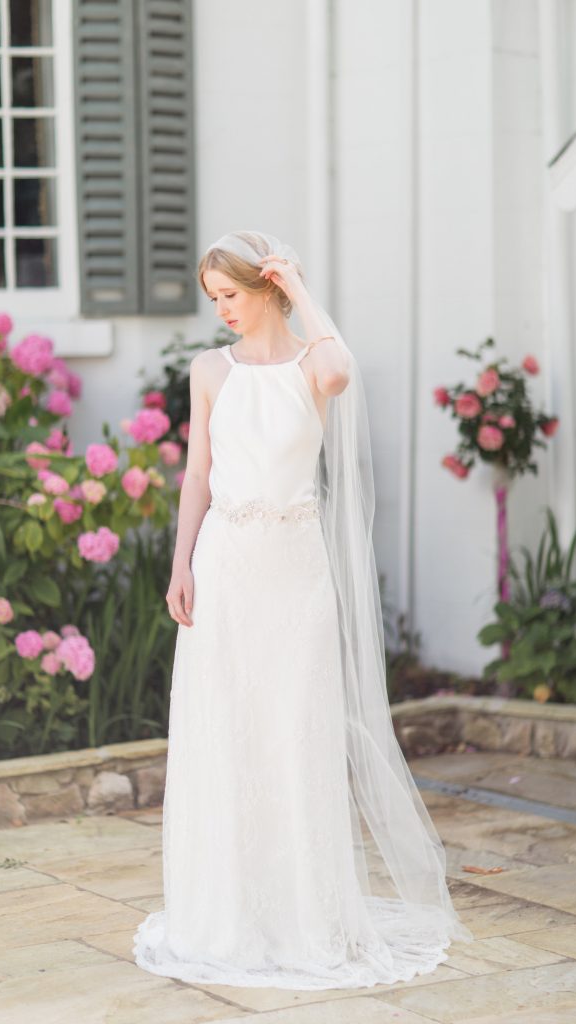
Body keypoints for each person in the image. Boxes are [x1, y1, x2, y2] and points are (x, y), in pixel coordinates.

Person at [133, 230, 473, 990]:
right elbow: (197, 475)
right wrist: (181, 562)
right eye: (212, 297)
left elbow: (340, 371)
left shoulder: (311, 365)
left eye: (233, 294)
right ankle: (226, 912)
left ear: (267, 289)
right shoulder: (208, 370)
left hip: (295, 569)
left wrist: (302, 289)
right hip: (225, 564)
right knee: (226, 734)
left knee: (295, 733)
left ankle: (304, 915)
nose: (221, 309)